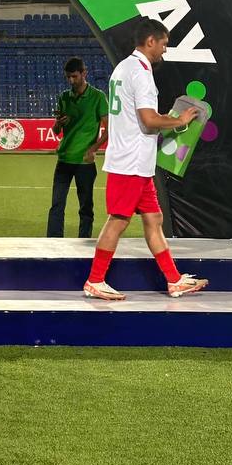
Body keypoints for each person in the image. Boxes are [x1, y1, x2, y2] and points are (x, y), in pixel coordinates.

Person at [84, 17, 208, 301]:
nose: (165, 49)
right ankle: (95, 280)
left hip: (136, 161)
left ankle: (174, 280)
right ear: (150, 41)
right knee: (118, 221)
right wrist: (179, 121)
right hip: (130, 161)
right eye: (163, 44)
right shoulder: (140, 73)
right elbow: (149, 120)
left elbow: (137, 117)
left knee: (154, 218)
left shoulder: (123, 68)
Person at [46, 57, 108, 239]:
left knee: (86, 207)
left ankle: (84, 242)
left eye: (74, 76)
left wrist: (93, 149)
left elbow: (110, 128)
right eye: (68, 77)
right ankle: (53, 242)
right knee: (57, 205)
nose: (71, 80)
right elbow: (56, 130)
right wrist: (59, 123)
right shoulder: (64, 97)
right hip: (64, 159)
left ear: (84, 73)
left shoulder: (98, 97)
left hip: (84, 162)